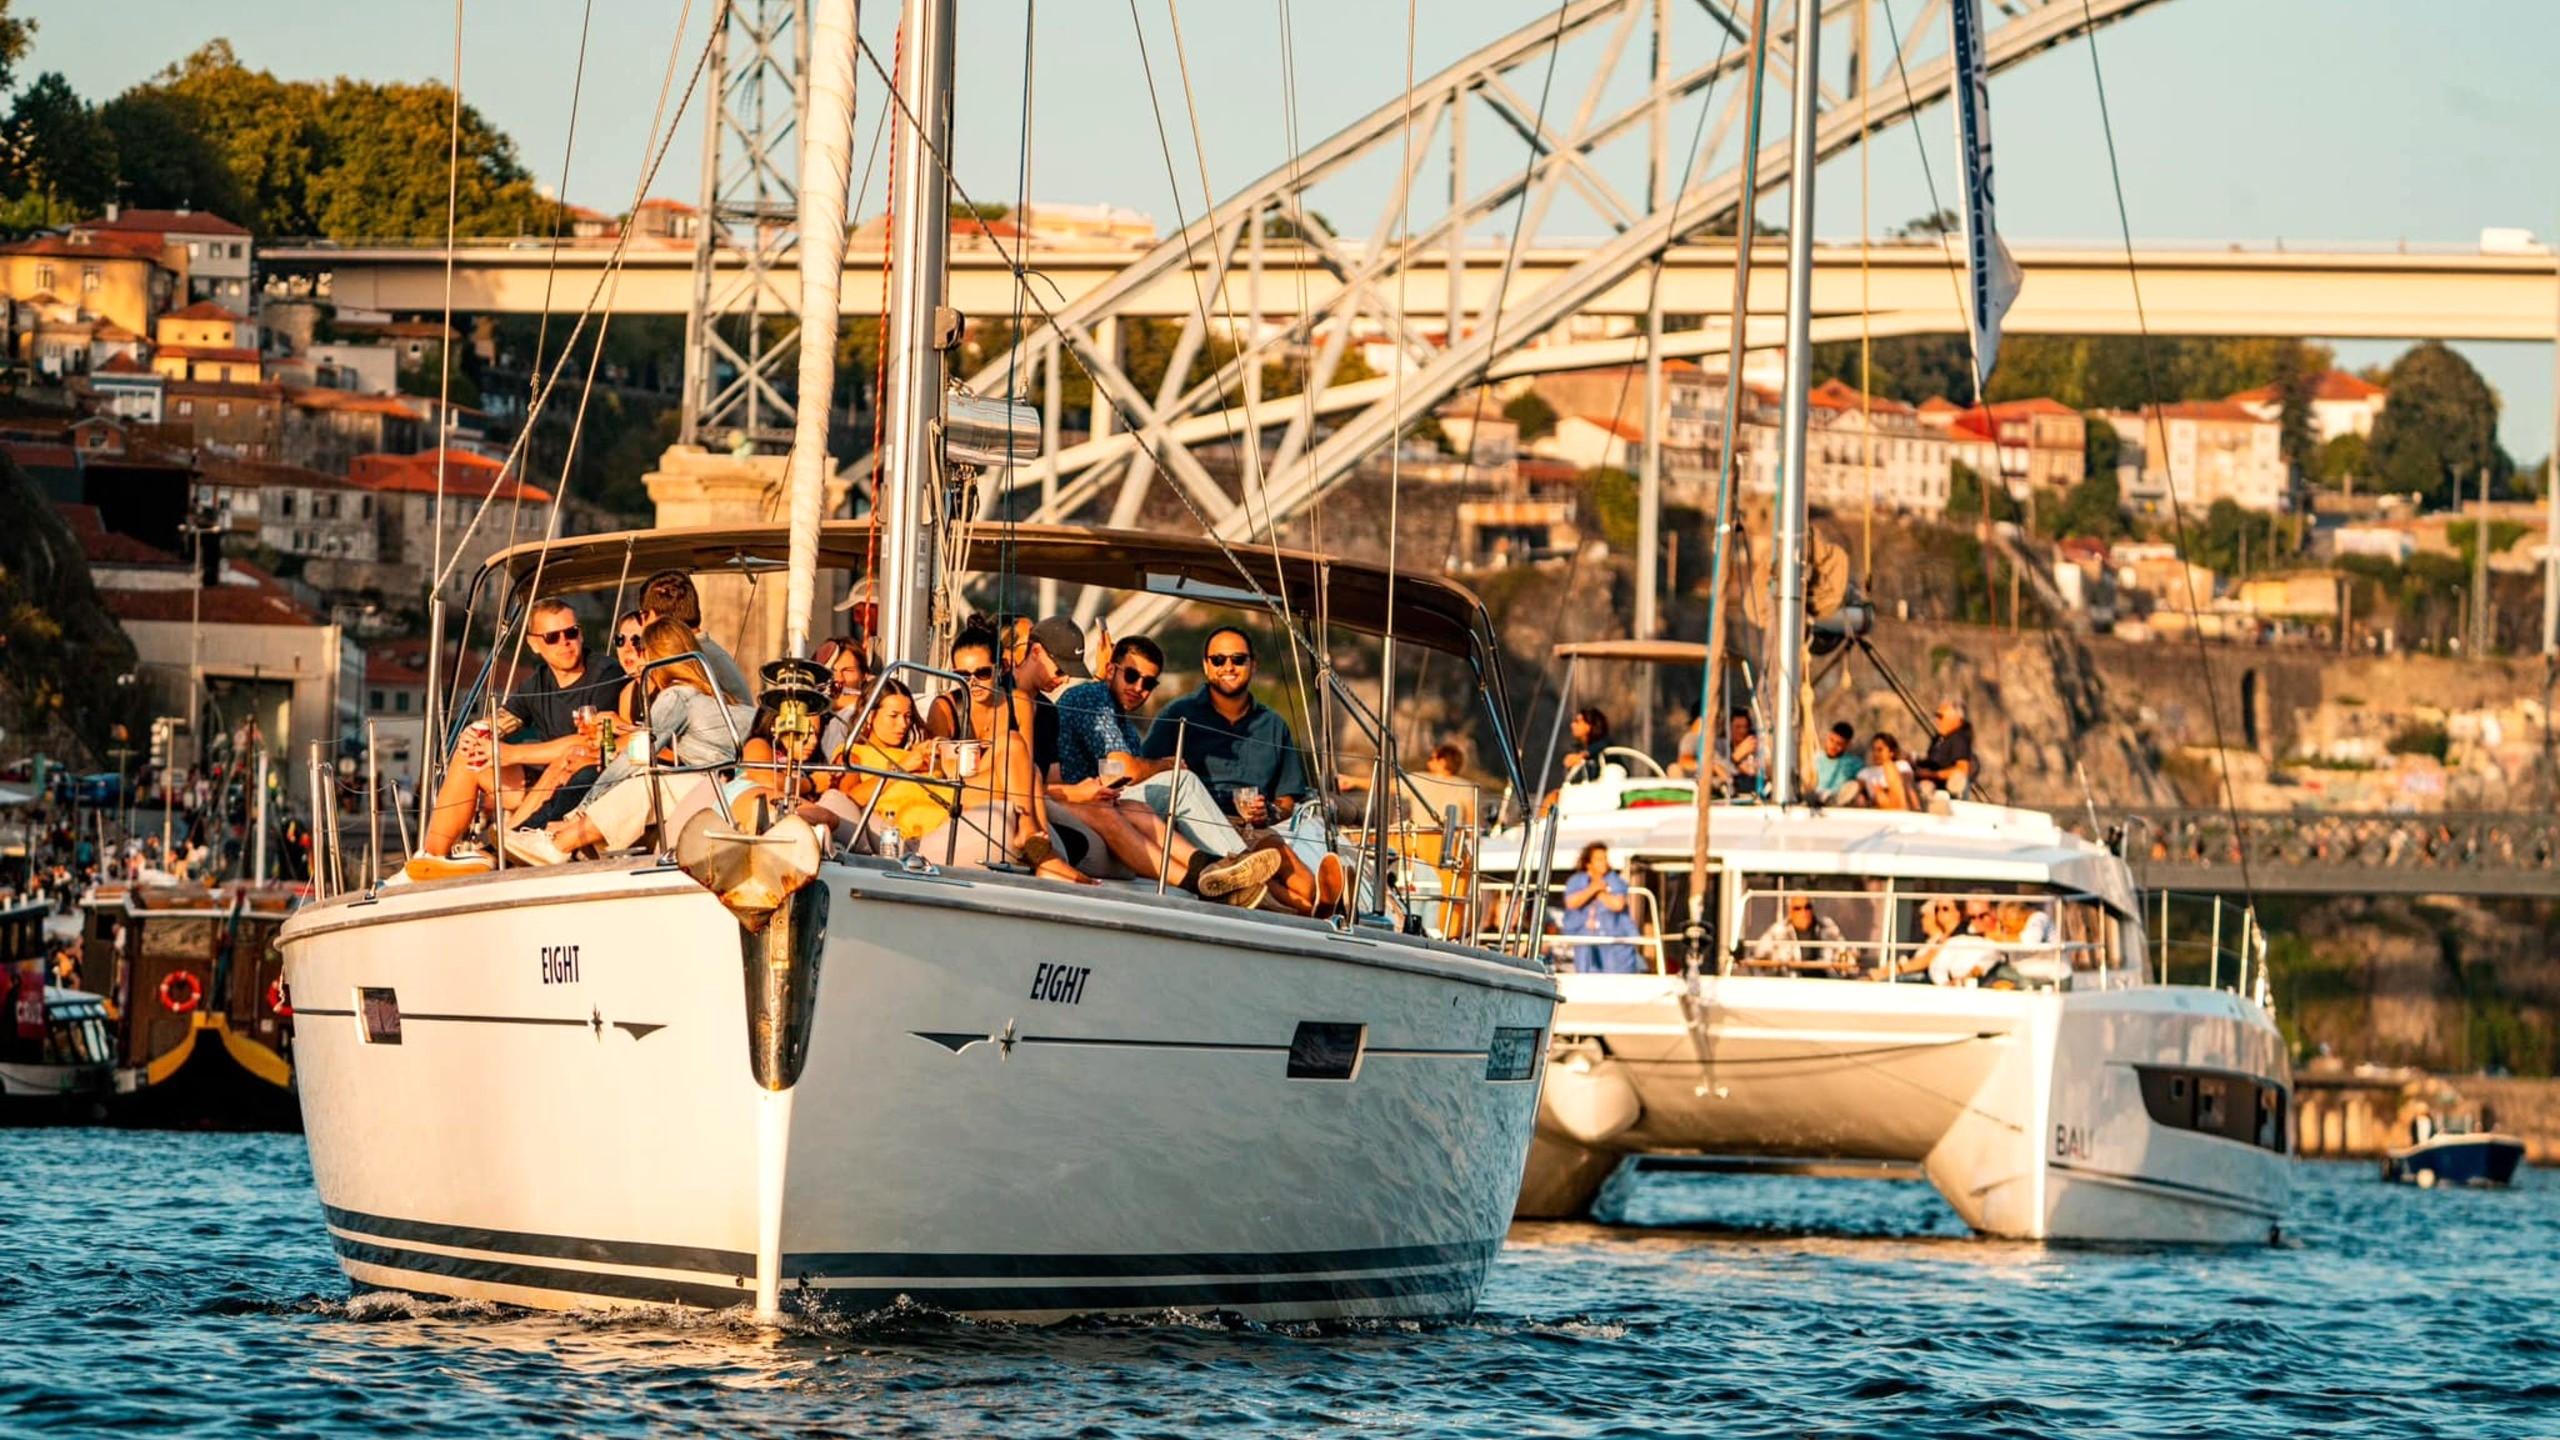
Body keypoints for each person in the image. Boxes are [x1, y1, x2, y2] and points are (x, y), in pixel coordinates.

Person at [1049, 635, 1283, 906]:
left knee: (1160, 802)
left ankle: (1228, 870)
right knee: (1181, 783)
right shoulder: (1092, 696)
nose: (1139, 687)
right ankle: (1240, 865)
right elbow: (1125, 769)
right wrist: (1168, 763)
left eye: (1148, 683)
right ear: (1112, 670)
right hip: (1080, 800)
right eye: (1132, 675)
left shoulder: (1126, 726)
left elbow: (1122, 773)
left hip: (1108, 799)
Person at [511, 617, 755, 863]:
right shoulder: (703, 693)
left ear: (657, 658)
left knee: (646, 781)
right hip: (720, 783)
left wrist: (580, 810)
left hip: (724, 788)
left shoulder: (676, 696)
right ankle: (569, 839)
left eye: (644, 652)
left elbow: (634, 756)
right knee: (650, 776)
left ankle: (561, 842)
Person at [407, 596, 613, 880]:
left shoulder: (605, 674)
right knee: (471, 757)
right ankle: (433, 857)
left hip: (584, 783)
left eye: (572, 632)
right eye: (553, 637)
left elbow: (589, 743)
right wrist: (478, 733)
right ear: (534, 644)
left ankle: (498, 846)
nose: (566, 642)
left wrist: (513, 754)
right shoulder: (536, 683)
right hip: (544, 785)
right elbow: (502, 720)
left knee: (571, 756)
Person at [1141, 627, 1343, 916]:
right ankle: (1313, 910)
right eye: (1218, 659)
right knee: (1265, 877)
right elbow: (1148, 772)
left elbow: (1287, 800)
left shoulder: (1273, 725)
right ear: (1206, 666)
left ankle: (1314, 903)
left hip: (1253, 825)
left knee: (1305, 883)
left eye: (1238, 659)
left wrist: (1268, 812)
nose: (1228, 667)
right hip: (1197, 823)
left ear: (1253, 664)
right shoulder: (1178, 715)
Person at [924, 621, 1089, 883]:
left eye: (982, 673)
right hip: (960, 791)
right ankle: (1038, 845)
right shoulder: (945, 708)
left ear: (1000, 668)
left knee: (1027, 763)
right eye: (962, 675)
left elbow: (1027, 767)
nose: (972, 682)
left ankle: (1035, 841)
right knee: (1012, 743)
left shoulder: (1019, 701)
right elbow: (944, 772)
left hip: (1010, 788)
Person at [636, 569, 753, 704]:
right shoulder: (704, 652)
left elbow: (673, 718)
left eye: (643, 617)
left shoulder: (692, 657)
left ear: (658, 619)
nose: (643, 627)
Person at [1559, 842, 1645, 973]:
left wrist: (1600, 892)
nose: (1604, 862)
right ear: (1588, 863)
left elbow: (1618, 904)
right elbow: (1571, 903)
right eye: (1599, 859)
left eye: (1605, 858)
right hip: (1585, 944)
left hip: (1614, 944)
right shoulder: (1576, 881)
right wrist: (1592, 888)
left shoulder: (1614, 880)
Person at [1750, 893, 1853, 976]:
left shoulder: (1827, 926)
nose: (1803, 912)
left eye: (1807, 907)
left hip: (1824, 983)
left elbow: (1846, 954)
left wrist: (1847, 960)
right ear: (1790, 911)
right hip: (1790, 986)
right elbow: (1758, 960)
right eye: (1797, 908)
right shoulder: (1778, 931)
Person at [814, 635, 871, 761]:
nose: (838, 678)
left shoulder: (861, 711)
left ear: (864, 675)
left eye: (848, 670)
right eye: (831, 670)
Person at [1916, 697, 1977, 799]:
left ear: (1957, 719)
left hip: (1942, 792)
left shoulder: (1959, 739)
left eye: (1941, 716)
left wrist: (1932, 775)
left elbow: (1962, 771)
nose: (1937, 720)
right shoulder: (1940, 738)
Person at [1859, 733, 1921, 811]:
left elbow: (1908, 786)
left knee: (1888, 766)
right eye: (1873, 750)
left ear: (1891, 752)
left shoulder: (1900, 765)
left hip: (1900, 804)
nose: (1875, 754)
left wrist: (1916, 807)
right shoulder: (1865, 773)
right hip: (1878, 808)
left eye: (1880, 750)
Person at [1814, 722, 1862, 804]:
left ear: (1847, 745)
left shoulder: (1854, 763)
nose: (1833, 746)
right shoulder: (1816, 758)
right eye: (1831, 740)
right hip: (1815, 800)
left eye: (1839, 744)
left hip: (1838, 804)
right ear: (1828, 737)